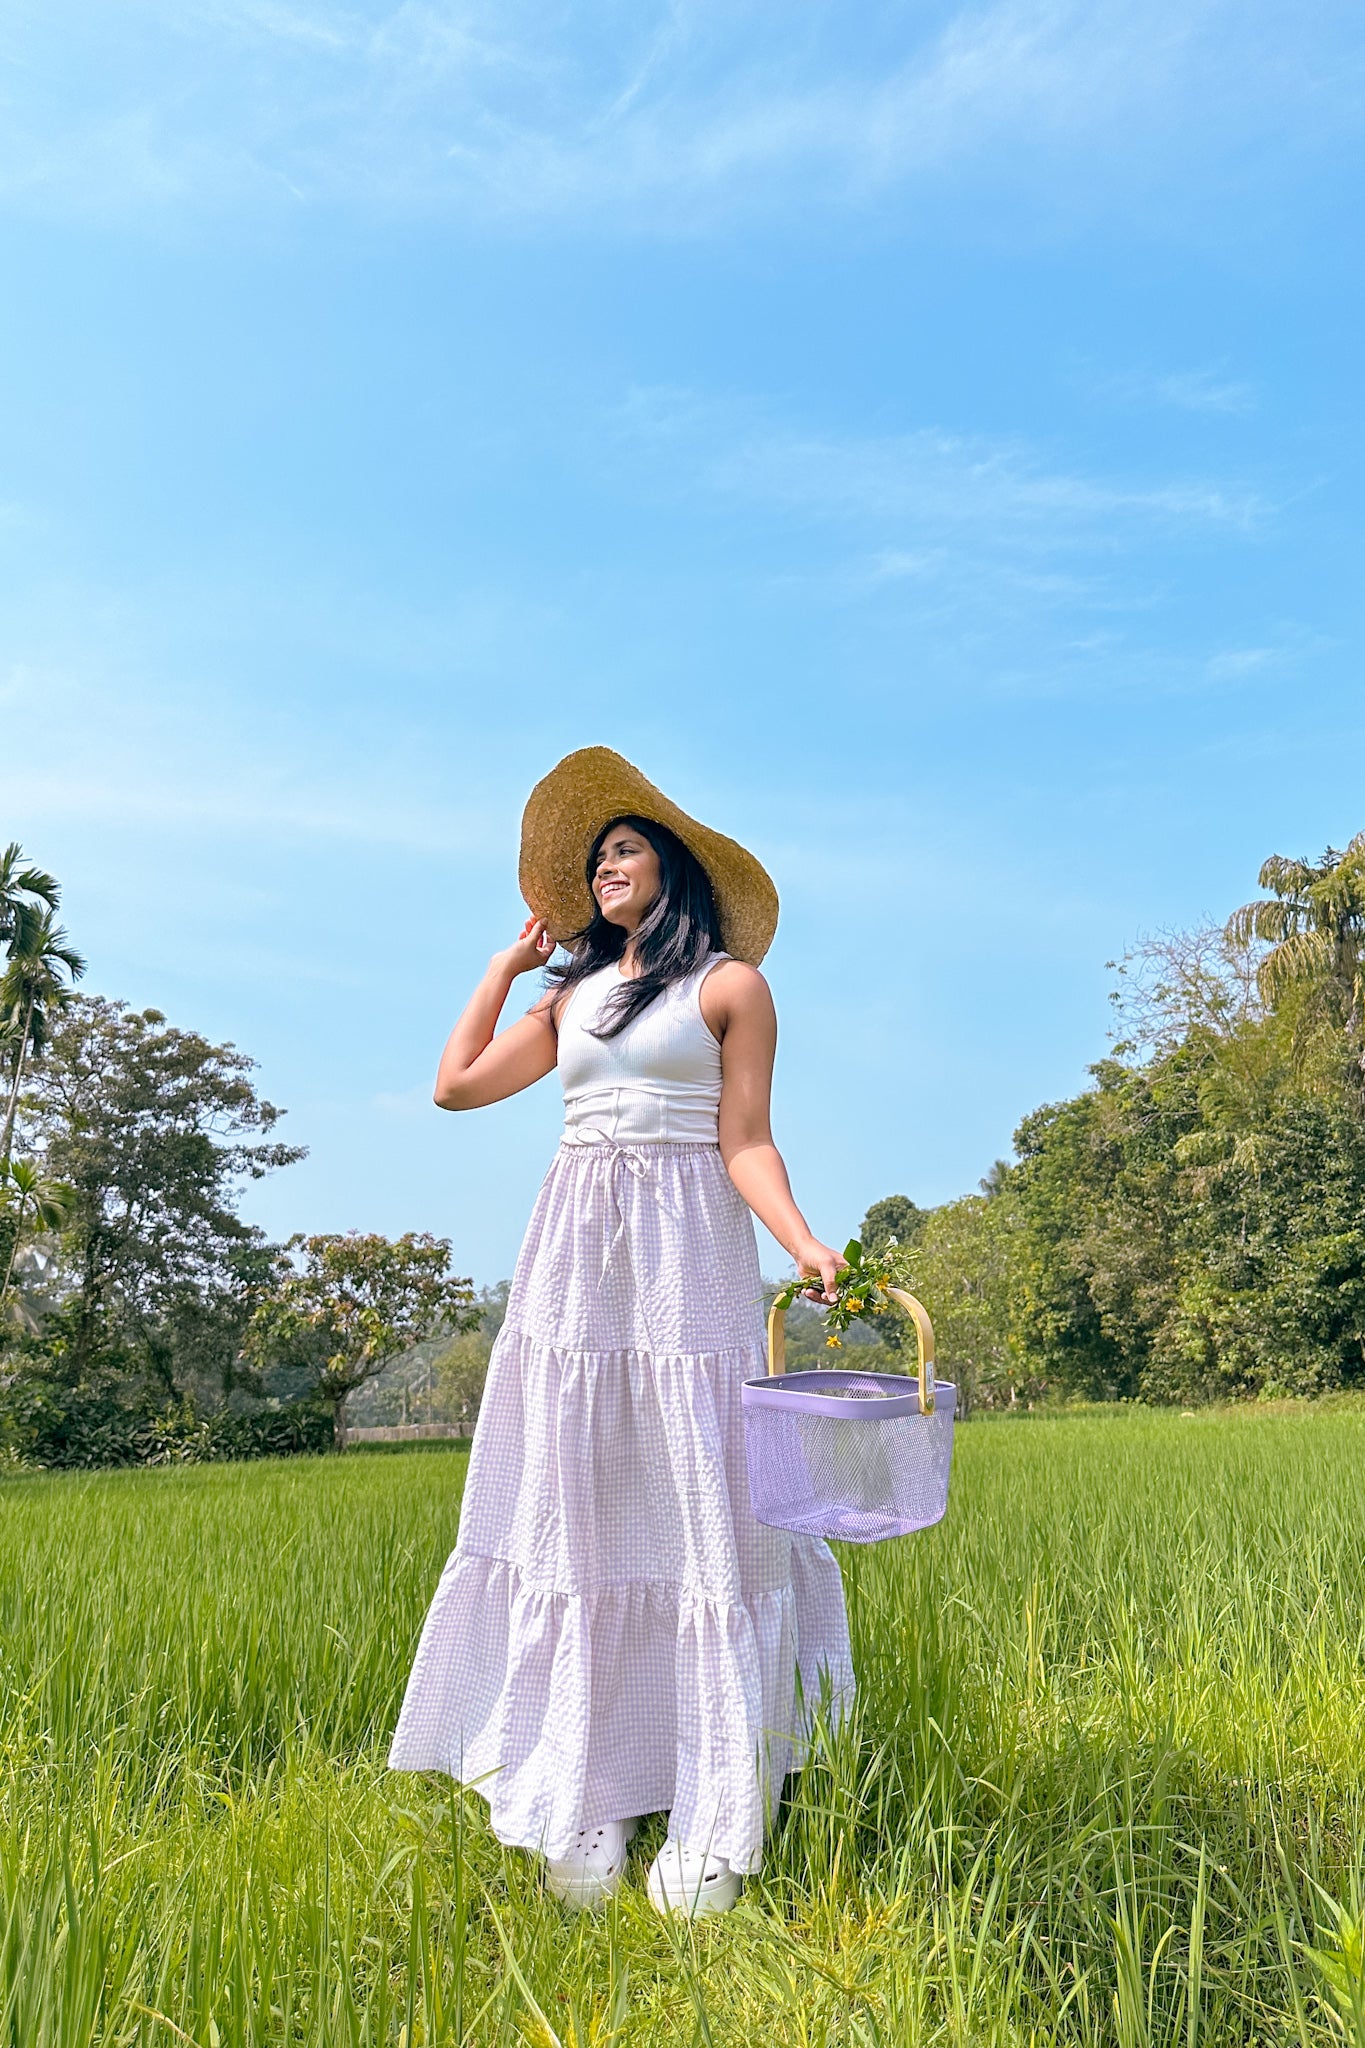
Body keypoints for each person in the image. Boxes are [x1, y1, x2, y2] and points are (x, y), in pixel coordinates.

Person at [388, 747, 853, 1915]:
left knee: (701, 1492)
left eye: (625, 850)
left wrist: (801, 1242)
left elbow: (746, 1140)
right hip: (575, 1259)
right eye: (596, 858)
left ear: (674, 869)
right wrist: (505, 963)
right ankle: (585, 1786)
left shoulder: (730, 986)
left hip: (688, 1247)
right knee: (578, 1491)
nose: (606, 868)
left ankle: (712, 1807)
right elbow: (454, 1086)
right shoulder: (570, 998)